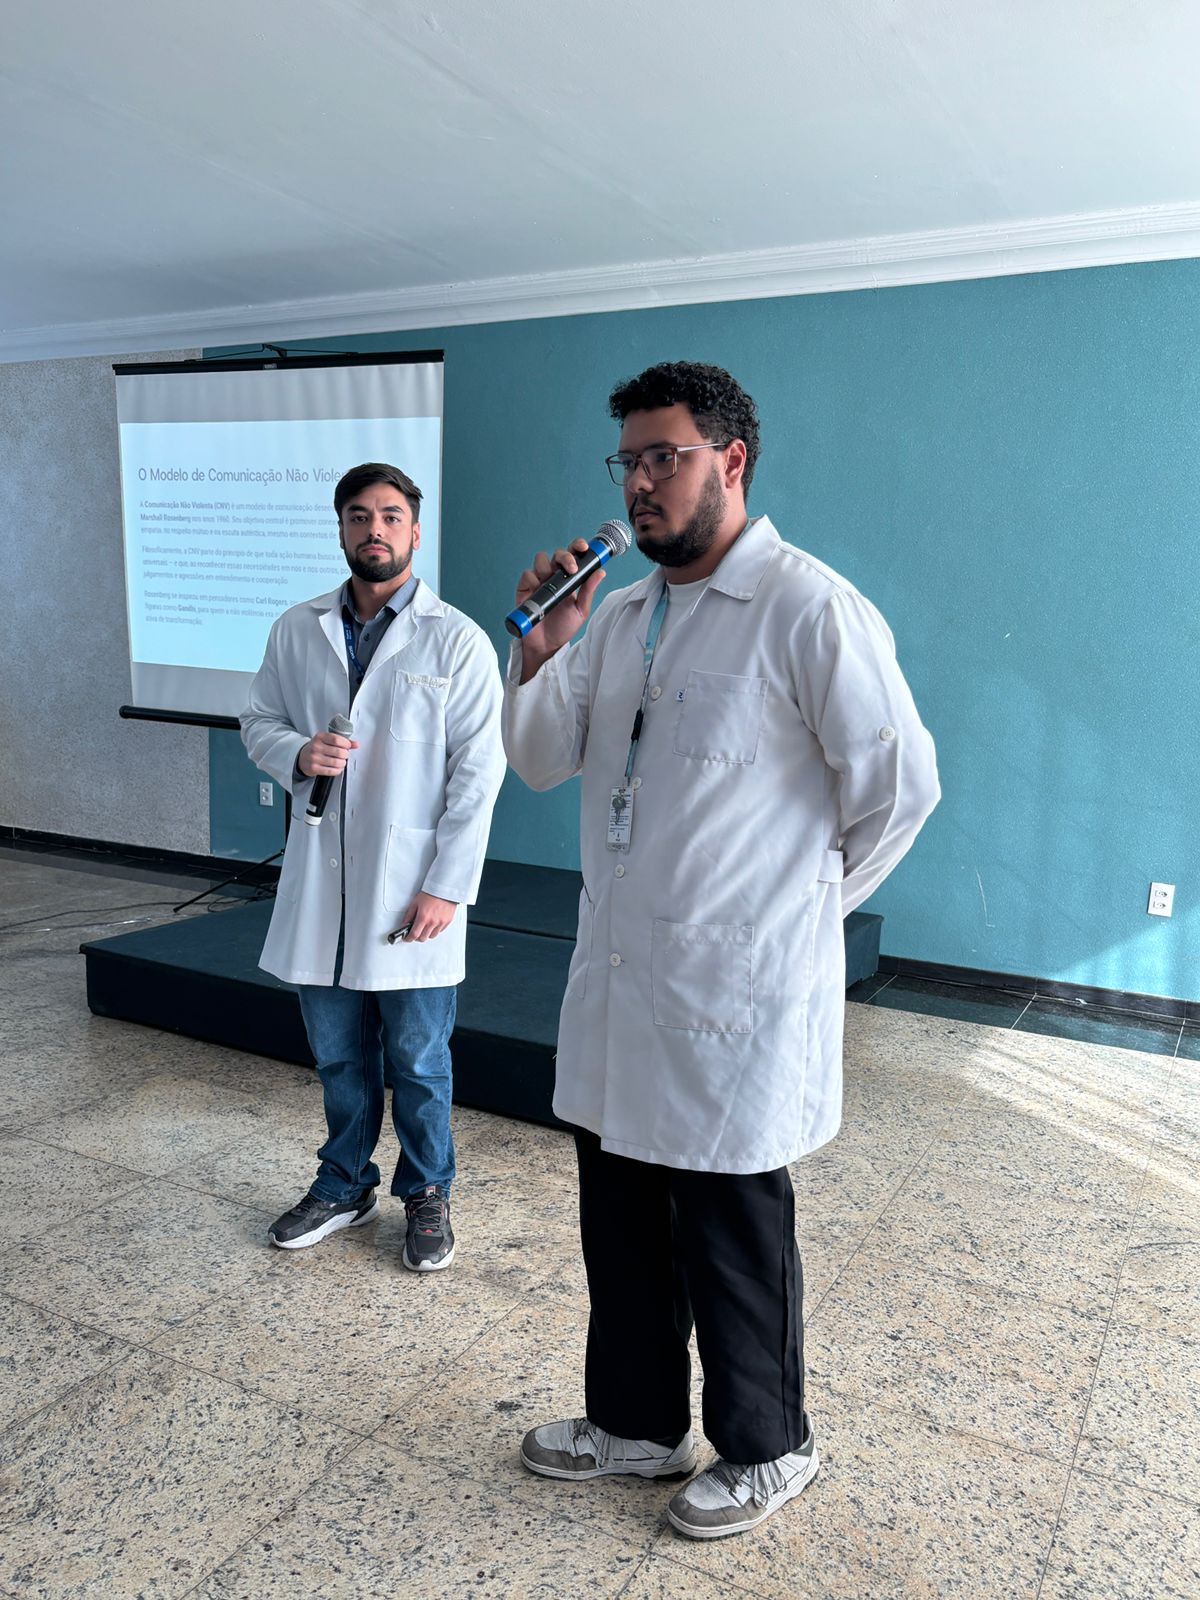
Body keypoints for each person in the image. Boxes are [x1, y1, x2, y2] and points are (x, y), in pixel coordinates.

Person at [502, 363, 939, 1538]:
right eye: (629, 462)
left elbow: (901, 790)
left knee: (732, 1233)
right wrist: (544, 646)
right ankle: (638, 1425)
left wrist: (792, 918)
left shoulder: (808, 609)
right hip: (621, 983)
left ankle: (769, 1446)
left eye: (666, 457)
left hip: (735, 1000)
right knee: (621, 1221)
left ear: (731, 461)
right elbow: (537, 758)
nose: (641, 484)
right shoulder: (621, 618)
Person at [242, 462, 505, 1270]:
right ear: (342, 530)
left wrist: (445, 888)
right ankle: (344, 1184)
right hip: (324, 884)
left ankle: (427, 1192)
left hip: (411, 890)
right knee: (338, 1056)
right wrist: (297, 752)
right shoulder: (297, 629)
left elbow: (478, 773)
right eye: (359, 516)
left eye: (390, 516)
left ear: (415, 531)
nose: (375, 529)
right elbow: (258, 719)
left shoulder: (455, 638)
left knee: (419, 1061)